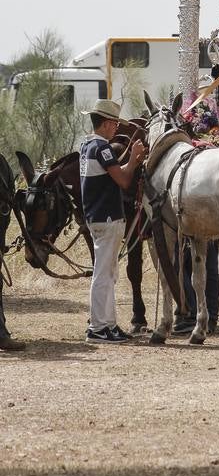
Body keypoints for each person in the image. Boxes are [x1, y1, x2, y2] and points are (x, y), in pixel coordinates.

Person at [80, 99, 146, 344]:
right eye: (115, 123)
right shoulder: (104, 149)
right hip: (107, 217)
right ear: (107, 123)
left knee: (107, 272)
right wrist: (135, 159)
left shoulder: (86, 146)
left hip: (95, 216)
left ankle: (107, 324)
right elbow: (124, 180)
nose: (117, 127)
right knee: (104, 274)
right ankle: (98, 327)